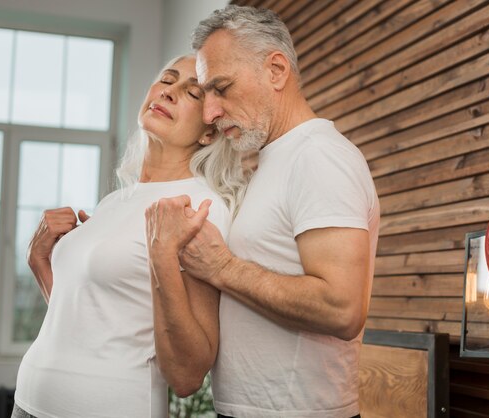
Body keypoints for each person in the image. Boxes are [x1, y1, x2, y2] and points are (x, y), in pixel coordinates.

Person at [159, 6, 381, 418]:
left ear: (276, 70)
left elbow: (342, 308)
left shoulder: (320, 157)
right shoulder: (272, 159)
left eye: (221, 88)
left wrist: (221, 267)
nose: (210, 112)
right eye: (205, 93)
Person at [11, 55, 248, 418]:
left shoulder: (200, 207)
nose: (169, 92)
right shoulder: (113, 201)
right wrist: (38, 260)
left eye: (192, 92)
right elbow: (85, 317)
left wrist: (162, 255)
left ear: (209, 132)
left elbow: (187, 376)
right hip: (28, 401)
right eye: (167, 79)